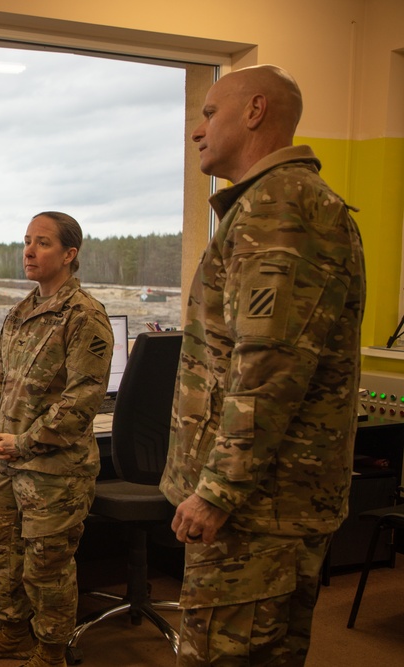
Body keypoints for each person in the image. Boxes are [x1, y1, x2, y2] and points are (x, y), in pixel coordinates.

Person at [159, 65, 366, 666]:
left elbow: (269, 368)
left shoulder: (279, 207)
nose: (197, 131)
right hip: (265, 502)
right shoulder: (270, 204)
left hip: (257, 511)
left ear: (254, 111)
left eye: (209, 113)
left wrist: (217, 491)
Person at [0, 212, 114, 667]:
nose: (29, 251)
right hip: (7, 461)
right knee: (0, 553)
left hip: (54, 469)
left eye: (42, 242)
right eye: (27, 241)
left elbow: (82, 400)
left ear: (69, 254)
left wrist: (24, 443)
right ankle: (13, 633)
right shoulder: (20, 313)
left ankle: (50, 652)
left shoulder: (84, 315)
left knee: (46, 567)